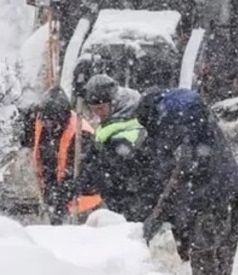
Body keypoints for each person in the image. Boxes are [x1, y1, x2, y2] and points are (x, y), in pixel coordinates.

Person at [136, 87, 238, 275]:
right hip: (235, 188)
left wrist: (154, 219)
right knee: (224, 256)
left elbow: (178, 176)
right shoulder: (195, 119)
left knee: (203, 257)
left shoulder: (170, 125)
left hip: (211, 197)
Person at [80, 74, 157, 222]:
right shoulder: (111, 124)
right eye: (93, 109)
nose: (97, 114)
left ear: (114, 103)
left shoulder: (129, 128)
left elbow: (119, 170)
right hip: (125, 201)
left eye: (101, 108)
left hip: (134, 202)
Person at [26, 87, 102, 225]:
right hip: (55, 199)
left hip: (82, 205)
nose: (48, 125)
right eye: (46, 121)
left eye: (52, 122)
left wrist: (64, 192)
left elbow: (87, 174)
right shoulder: (41, 123)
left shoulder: (81, 134)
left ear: (63, 117)